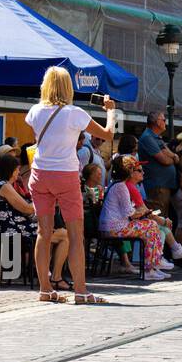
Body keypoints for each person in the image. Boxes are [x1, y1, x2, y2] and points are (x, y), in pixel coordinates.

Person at [25, 67, 118, 304]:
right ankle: (80, 291)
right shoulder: (74, 113)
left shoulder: (34, 111)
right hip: (65, 174)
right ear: (68, 88)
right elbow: (107, 134)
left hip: (39, 174)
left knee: (43, 233)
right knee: (76, 235)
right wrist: (110, 111)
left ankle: (45, 290)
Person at [0, 153, 71, 298]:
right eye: (17, 169)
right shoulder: (4, 186)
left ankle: (51, 276)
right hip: (16, 230)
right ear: (9, 170)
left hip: (16, 227)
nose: (18, 172)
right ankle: (55, 277)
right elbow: (25, 208)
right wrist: (48, 199)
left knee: (60, 233)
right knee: (65, 235)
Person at [100, 154, 169, 281]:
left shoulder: (116, 184)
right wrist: (143, 212)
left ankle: (153, 265)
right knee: (151, 225)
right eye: (137, 169)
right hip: (115, 228)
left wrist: (141, 213)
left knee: (149, 225)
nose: (142, 171)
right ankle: (151, 266)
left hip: (113, 226)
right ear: (129, 171)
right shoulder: (121, 186)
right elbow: (129, 213)